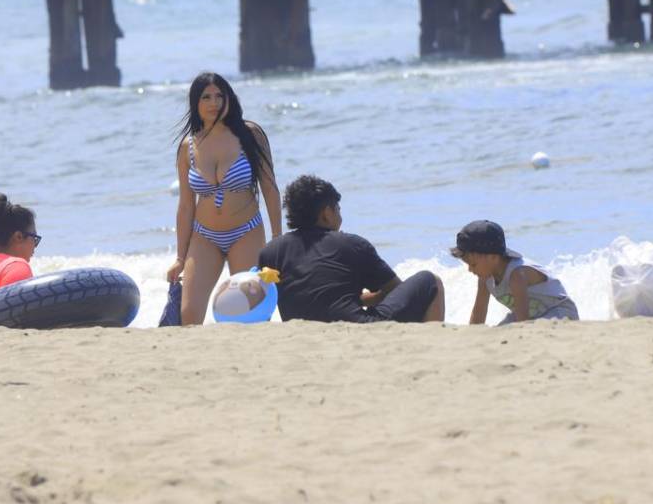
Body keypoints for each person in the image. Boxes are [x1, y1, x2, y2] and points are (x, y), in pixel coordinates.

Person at [166, 72, 281, 325]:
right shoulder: (188, 147)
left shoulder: (251, 135)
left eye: (220, 95)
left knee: (249, 313)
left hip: (246, 232)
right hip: (204, 236)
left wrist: (277, 241)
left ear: (229, 99)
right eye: (206, 97)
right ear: (195, 103)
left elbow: (270, 188)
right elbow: (186, 206)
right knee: (188, 317)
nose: (213, 102)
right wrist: (180, 258)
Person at [257, 175, 445, 324]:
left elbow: (268, 301)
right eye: (337, 209)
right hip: (356, 327)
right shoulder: (351, 244)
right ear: (326, 213)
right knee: (430, 281)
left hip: (300, 330)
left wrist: (357, 299)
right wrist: (366, 299)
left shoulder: (271, 251)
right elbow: (396, 290)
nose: (340, 214)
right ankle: (431, 344)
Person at [451, 220, 578, 324]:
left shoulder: (516, 275)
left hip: (559, 311)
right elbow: (479, 312)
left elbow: (523, 322)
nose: (470, 270)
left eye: (473, 264)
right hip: (531, 314)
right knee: (496, 335)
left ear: (493, 257)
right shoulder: (485, 278)